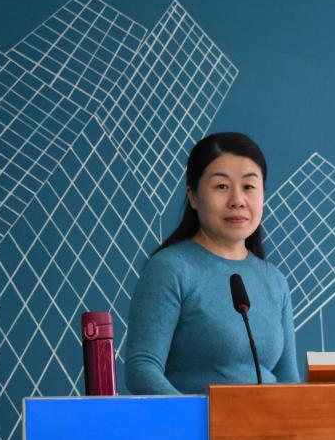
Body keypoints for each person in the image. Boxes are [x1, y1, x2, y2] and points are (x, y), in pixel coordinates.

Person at [124, 132, 300, 395]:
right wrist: (203, 416)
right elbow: (142, 368)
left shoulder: (274, 280)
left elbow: (288, 378)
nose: (237, 200)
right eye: (221, 186)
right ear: (193, 196)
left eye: (249, 187)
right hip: (200, 421)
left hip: (269, 421)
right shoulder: (171, 268)